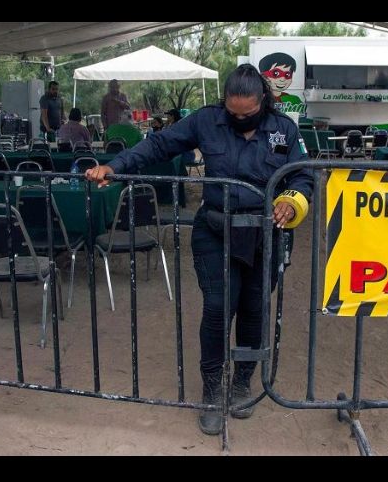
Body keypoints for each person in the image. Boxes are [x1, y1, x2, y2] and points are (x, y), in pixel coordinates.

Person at [85, 64, 314, 436]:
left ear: (264, 102)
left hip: (263, 233)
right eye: (233, 112)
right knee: (219, 307)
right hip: (215, 230)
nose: (240, 119)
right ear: (225, 102)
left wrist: (292, 200)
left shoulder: (283, 128)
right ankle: (212, 388)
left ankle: (242, 382)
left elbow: (302, 175)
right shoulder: (206, 121)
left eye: (249, 113)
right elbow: (159, 145)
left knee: (255, 308)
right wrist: (115, 165)